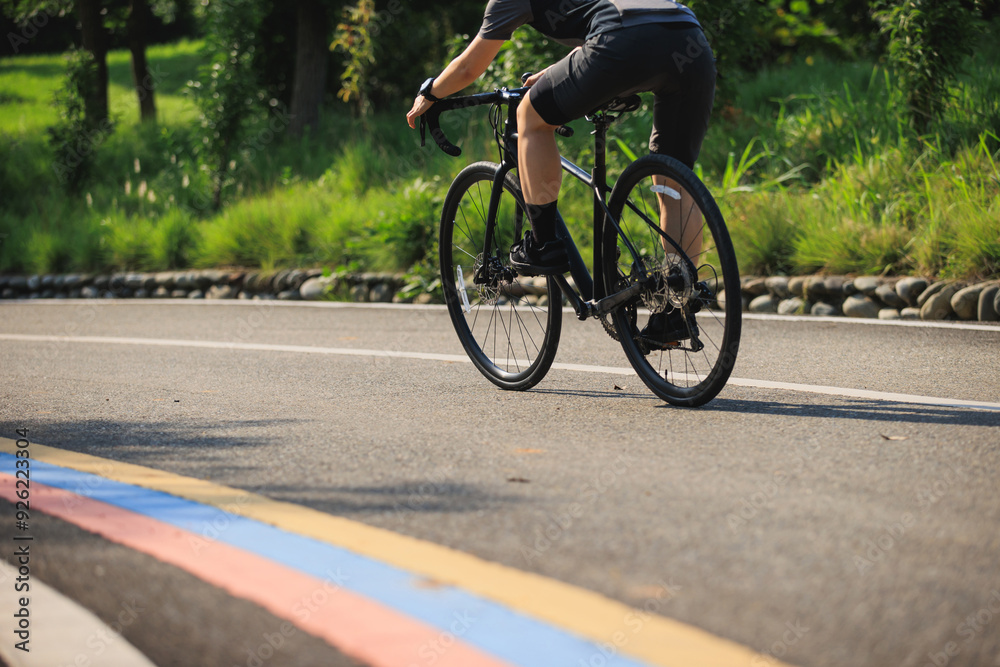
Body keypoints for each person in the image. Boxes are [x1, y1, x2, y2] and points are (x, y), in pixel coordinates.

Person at [406, 0, 716, 349]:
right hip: (688, 39)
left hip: (620, 43)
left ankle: (543, 244)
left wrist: (431, 93)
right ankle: (677, 306)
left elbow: (469, 68)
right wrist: (562, 68)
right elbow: (614, 17)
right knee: (672, 183)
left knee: (531, 117)